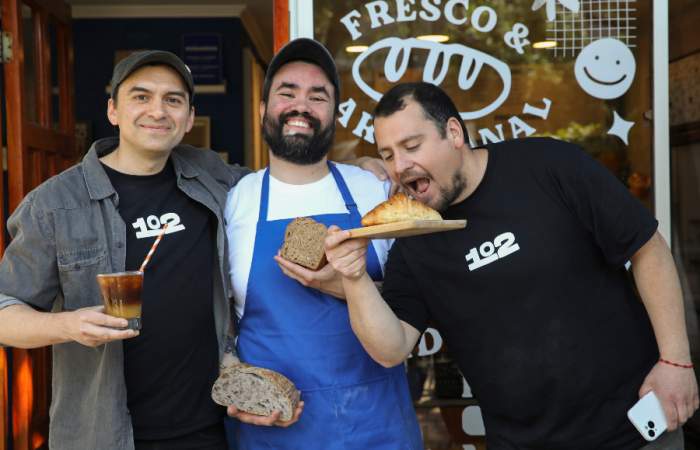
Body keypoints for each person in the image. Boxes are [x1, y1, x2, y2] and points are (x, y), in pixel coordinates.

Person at [324, 82, 699, 449]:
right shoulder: (414, 239)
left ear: (453, 132)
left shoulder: (548, 166)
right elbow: (392, 347)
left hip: (633, 430)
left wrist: (676, 361)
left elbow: (646, 248)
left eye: (411, 146)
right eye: (388, 155)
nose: (400, 166)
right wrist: (354, 277)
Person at [0, 50, 249, 450]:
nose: (158, 110)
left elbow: (283, 185)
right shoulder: (55, 203)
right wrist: (68, 325)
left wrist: (359, 165)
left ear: (188, 118)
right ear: (113, 111)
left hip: (208, 428)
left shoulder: (211, 175)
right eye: (141, 96)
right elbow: (3, 311)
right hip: (102, 435)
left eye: (173, 99)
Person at [223, 38, 423, 449]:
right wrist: (231, 375)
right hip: (274, 431)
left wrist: (344, 283)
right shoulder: (233, 200)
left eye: (318, 96)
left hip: (376, 426)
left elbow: (411, 302)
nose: (302, 106)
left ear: (334, 114)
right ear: (263, 111)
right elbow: (216, 317)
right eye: (287, 93)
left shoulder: (375, 191)